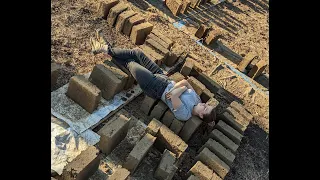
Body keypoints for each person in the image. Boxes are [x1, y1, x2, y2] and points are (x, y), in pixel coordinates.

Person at [90, 29, 216, 124]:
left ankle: (104, 47)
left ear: (200, 115)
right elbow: (182, 85)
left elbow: (172, 95)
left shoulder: (185, 114)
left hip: (155, 87)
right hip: (163, 77)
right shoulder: (198, 100)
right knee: (137, 53)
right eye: (207, 105)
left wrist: (180, 88)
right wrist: (179, 88)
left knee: (131, 63)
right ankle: (105, 48)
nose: (204, 104)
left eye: (205, 108)